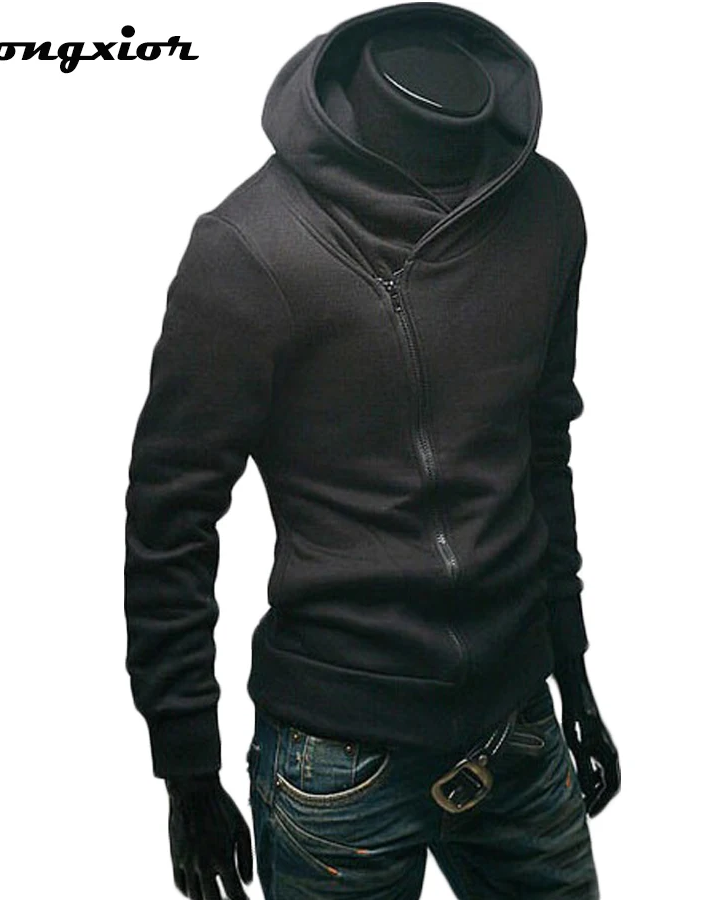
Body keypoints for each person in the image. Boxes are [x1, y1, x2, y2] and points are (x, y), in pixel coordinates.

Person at [124, 4, 620, 898]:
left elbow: (543, 447)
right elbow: (171, 517)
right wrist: (186, 764)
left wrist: (572, 666)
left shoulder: (545, 209)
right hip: (336, 757)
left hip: (518, 721)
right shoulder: (253, 249)